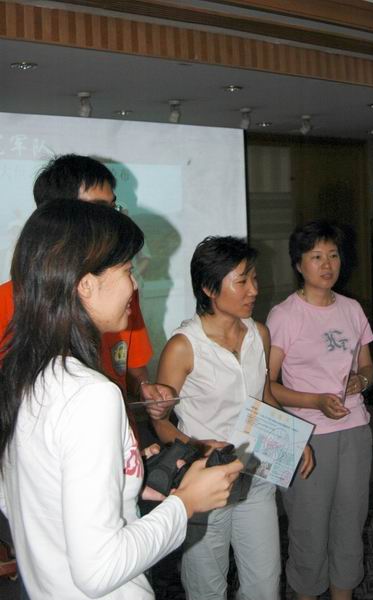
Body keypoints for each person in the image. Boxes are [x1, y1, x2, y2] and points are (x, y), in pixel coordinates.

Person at [0, 200, 243, 600]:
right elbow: (99, 571)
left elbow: (24, 500)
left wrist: (127, 480)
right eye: (128, 270)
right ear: (85, 284)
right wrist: (185, 503)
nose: (134, 286)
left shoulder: (23, 375)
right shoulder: (92, 395)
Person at [152, 235, 314, 600]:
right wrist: (196, 446)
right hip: (204, 480)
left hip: (255, 472)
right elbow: (161, 422)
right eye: (242, 281)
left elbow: (265, 396)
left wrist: (293, 438)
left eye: (254, 278)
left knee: (265, 585)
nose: (254, 289)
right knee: (207, 588)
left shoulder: (259, 334)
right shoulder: (184, 346)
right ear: (209, 288)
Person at [0, 154, 168, 406]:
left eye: (113, 208)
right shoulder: (7, 300)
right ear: (58, 217)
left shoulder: (120, 291)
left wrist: (145, 389)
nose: (112, 219)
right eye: (98, 209)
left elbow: (133, 370)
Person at [266, 220, 373, 600]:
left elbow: (367, 367)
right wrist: (314, 401)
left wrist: (360, 381)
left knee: (350, 525)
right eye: (316, 257)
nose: (327, 265)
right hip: (305, 436)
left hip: (355, 430)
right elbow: (267, 385)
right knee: (308, 530)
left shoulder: (351, 309)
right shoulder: (284, 315)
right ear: (299, 264)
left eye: (333, 255)